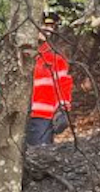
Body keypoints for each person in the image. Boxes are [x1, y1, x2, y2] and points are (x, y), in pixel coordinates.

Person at [27, 12, 73, 147]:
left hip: (42, 118)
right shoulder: (14, 56)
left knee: (39, 157)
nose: (47, 29)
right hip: (15, 117)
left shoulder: (56, 58)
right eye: (44, 24)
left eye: (50, 26)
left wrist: (63, 110)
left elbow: (63, 85)